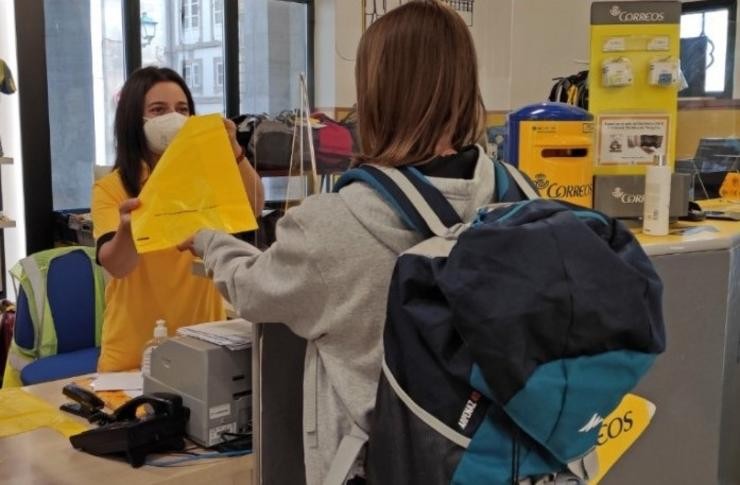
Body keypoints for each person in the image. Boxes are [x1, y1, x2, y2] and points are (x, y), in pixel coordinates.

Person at [181, 2, 507, 483]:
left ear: (374, 93)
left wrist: (211, 242)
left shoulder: (335, 221)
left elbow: (252, 287)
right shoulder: (520, 196)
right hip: (503, 456)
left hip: (383, 466)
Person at [92, 66, 264, 372]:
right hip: (133, 354)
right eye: (158, 110)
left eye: (182, 109)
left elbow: (252, 207)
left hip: (204, 343)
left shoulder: (205, 179)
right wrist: (129, 228)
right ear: (135, 119)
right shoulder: (112, 187)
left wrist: (234, 149)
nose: (173, 118)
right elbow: (117, 265)